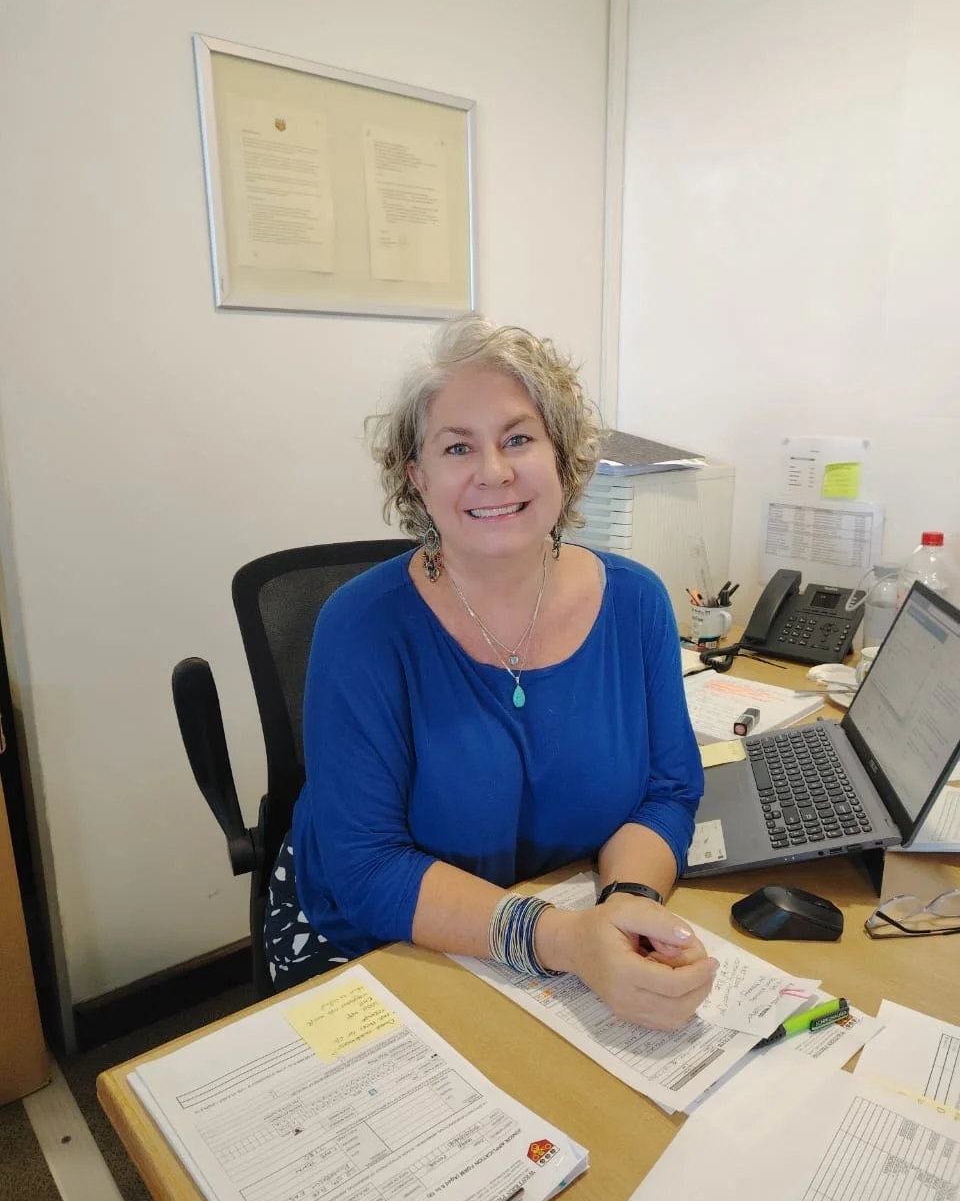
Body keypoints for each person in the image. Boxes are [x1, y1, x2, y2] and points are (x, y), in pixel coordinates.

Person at [265, 315, 716, 1029]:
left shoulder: (636, 603)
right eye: (457, 447)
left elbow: (666, 792)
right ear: (417, 476)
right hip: (378, 943)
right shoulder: (361, 626)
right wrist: (564, 939)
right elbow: (367, 867)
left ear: (563, 457)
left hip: (563, 927)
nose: (495, 472)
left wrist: (627, 905)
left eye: (518, 438)